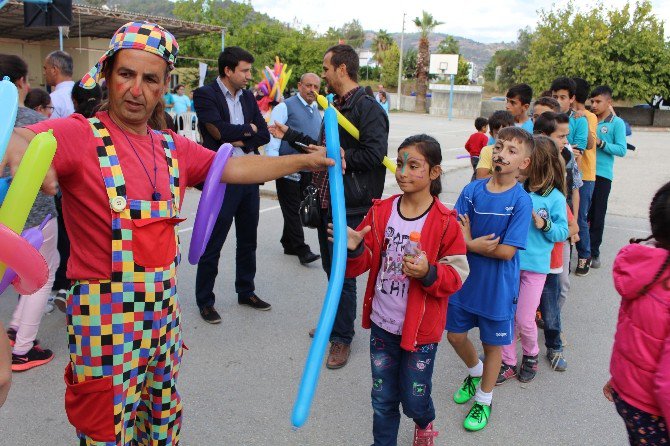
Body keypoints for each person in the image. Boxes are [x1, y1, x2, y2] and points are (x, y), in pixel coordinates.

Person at [2, 21, 333, 445]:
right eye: (126, 74)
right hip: (103, 321)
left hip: (163, 318)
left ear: (163, 87)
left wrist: (303, 162)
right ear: (107, 76)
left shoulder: (170, 145)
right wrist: (19, 146)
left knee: (160, 424)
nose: (136, 90)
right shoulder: (79, 134)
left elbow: (233, 166)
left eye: (150, 79)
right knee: (105, 431)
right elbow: (23, 137)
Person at [269, 44, 389, 369]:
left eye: (325, 68)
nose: (321, 75)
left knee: (343, 273)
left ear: (341, 69)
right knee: (330, 270)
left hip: (348, 205)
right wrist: (289, 134)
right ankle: (334, 324)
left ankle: (341, 339)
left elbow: (375, 154)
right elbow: (322, 150)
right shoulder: (334, 107)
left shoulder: (368, 109)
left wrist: (344, 157)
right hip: (326, 200)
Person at [344, 134, 468, 446]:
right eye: (400, 164)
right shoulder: (381, 212)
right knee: (382, 398)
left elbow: (456, 275)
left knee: (414, 397)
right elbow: (363, 263)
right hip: (384, 325)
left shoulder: (444, 223)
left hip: (421, 333)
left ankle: (424, 422)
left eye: (414, 166)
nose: (402, 172)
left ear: (434, 173)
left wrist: (428, 272)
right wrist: (356, 249)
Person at [447, 126, 533, 432]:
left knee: (492, 345)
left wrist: (471, 240)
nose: (501, 154)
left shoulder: (521, 202)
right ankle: (475, 372)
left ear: (524, 163)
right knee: (455, 336)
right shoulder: (472, 190)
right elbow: (455, 229)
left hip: (497, 287)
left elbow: (507, 251)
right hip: (464, 280)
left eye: (512, 150)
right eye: (499, 147)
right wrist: (470, 244)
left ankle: (484, 399)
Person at [193, 46, 272, 324]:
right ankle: (205, 300)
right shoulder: (205, 95)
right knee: (213, 242)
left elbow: (263, 134)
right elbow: (218, 132)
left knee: (248, 240)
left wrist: (243, 135)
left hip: (249, 176)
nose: (250, 75)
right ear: (228, 71)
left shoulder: (249, 97)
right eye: (245, 70)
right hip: (222, 178)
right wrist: (245, 132)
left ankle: (246, 290)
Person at [0, 54, 59, 370]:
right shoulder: (33, 121)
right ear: (21, 82)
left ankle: (13, 329)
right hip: (37, 217)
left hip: (3, 221)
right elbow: (52, 176)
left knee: (15, 273)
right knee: (41, 275)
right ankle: (23, 348)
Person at [603, 181, 670, 445]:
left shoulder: (646, 267)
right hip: (654, 412)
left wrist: (619, 378)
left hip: (627, 392)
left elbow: (632, 334)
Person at [498, 135, 568, 384]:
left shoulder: (555, 198)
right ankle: (507, 361)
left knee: (525, 319)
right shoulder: (517, 190)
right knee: (506, 315)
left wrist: (544, 223)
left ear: (535, 163)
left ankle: (531, 355)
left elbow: (563, 232)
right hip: (510, 263)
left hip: (536, 269)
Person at [51, 82, 104, 312]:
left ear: (74, 101)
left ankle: (66, 287)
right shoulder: (108, 126)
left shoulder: (69, 126)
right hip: (104, 195)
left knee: (68, 241)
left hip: (69, 196)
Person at [266, 73, 322, 265]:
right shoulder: (285, 106)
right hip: (287, 166)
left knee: (297, 207)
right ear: (300, 85)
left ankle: (288, 242)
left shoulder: (316, 109)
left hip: (308, 168)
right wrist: (274, 166)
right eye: (308, 85)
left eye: (316, 87)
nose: (312, 90)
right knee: (291, 208)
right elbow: (273, 136)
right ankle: (302, 249)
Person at [588, 85, 627, 270]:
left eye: (598, 101)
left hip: (602, 175)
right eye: (592, 101)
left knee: (597, 214)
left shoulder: (616, 123)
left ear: (608, 102)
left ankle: (593, 252)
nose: (594, 105)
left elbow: (621, 149)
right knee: (582, 213)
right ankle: (581, 249)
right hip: (585, 172)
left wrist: (601, 143)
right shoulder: (588, 119)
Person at [572, 77, 599, 276]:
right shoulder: (566, 115)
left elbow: (590, 143)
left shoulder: (589, 116)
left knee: (580, 216)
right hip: (569, 173)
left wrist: (583, 119)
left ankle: (585, 255)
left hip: (585, 174)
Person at [474, 110, 514, 180]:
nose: (503, 137)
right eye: (498, 133)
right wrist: (506, 174)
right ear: (492, 134)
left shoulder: (517, 152)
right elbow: (480, 177)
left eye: (507, 132)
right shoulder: (487, 151)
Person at [43, 50, 75, 118]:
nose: (44, 73)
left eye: (45, 68)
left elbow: (50, 128)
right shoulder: (83, 92)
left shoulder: (53, 100)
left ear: (54, 70)